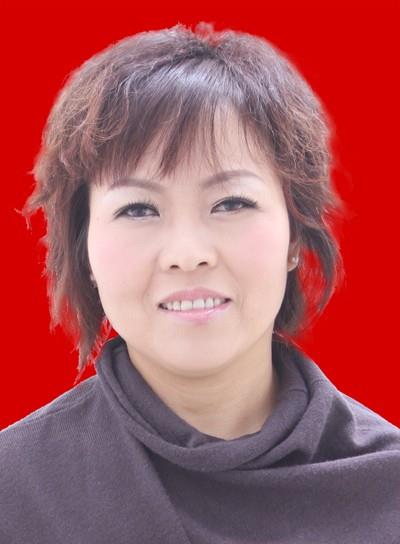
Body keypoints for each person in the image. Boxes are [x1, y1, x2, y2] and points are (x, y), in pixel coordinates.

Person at [1, 22, 399, 543]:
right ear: (85, 250)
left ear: (295, 237)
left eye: (231, 203)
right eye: (138, 209)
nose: (188, 254)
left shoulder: (388, 488)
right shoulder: (15, 490)